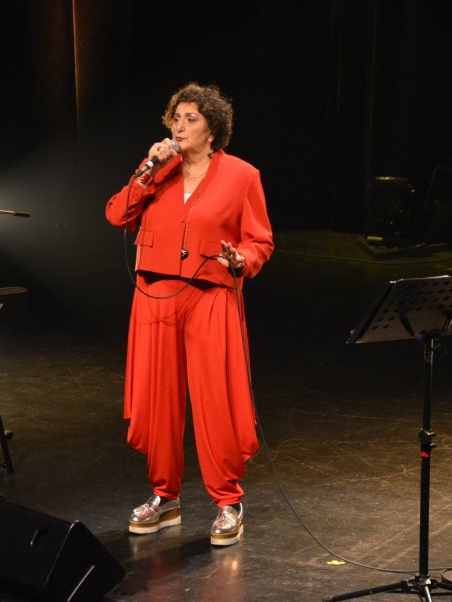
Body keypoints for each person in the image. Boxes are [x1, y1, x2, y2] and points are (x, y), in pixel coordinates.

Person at [105, 82, 273, 546]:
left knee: (215, 397)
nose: (179, 126)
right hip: (154, 297)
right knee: (158, 400)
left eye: (190, 118)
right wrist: (146, 169)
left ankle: (227, 500)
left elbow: (260, 241)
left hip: (210, 296)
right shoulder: (159, 171)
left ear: (213, 128)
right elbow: (117, 215)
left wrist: (241, 259)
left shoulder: (242, 176)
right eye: (175, 118)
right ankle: (165, 496)